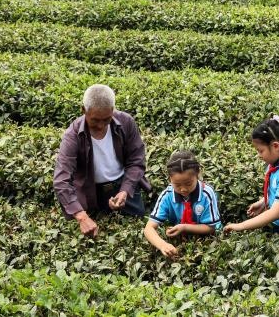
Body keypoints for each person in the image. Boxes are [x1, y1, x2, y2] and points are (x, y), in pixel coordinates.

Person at [53, 84, 150, 239]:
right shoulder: (73, 135)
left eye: (106, 119)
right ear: (83, 110)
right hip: (88, 190)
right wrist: (82, 216)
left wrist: (125, 190)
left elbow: (136, 161)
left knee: (138, 218)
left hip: (120, 184)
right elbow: (61, 180)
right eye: (95, 120)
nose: (100, 125)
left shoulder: (126, 122)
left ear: (113, 110)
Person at [143, 150, 222, 259]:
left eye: (188, 183)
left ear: (198, 175)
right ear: (170, 179)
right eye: (177, 184)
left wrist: (184, 227)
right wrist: (163, 245)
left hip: (207, 242)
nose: (183, 189)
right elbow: (148, 229)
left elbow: (212, 228)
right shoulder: (167, 195)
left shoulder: (206, 194)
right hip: (180, 241)